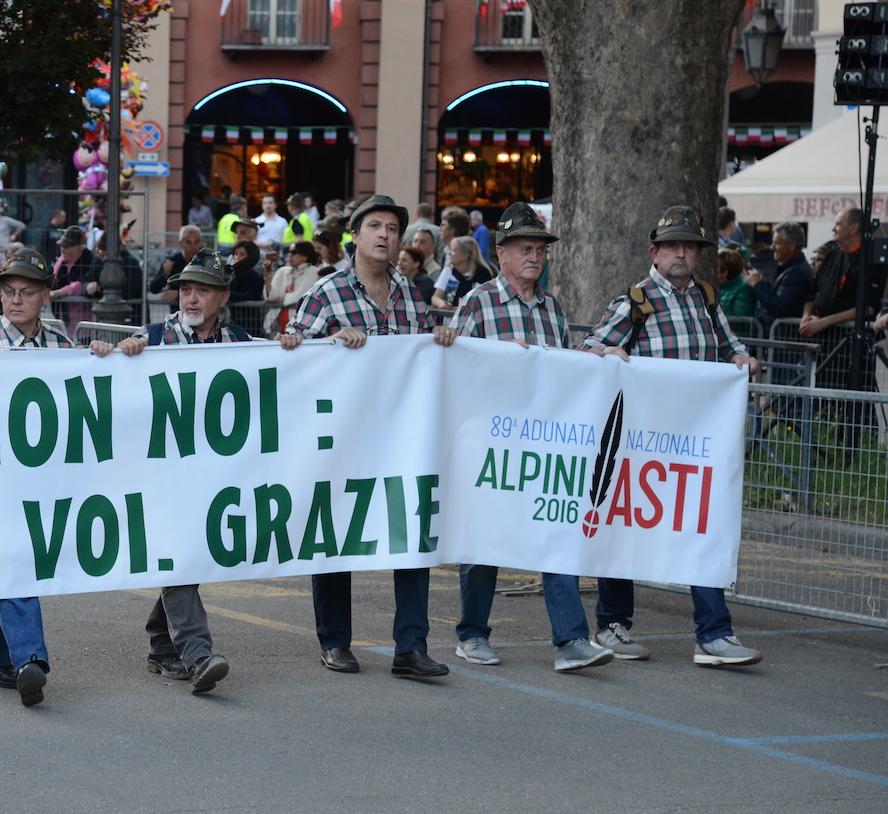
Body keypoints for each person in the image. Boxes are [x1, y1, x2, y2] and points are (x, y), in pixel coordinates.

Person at [432, 204, 615, 672]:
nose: (535, 257)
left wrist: (600, 358)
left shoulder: (552, 307)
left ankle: (570, 640)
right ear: (504, 254)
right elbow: (458, 366)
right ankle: (472, 634)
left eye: (540, 249)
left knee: (555, 531)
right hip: (491, 442)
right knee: (485, 539)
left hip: (543, 443)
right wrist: (496, 357)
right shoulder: (477, 301)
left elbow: (565, 371)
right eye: (525, 249)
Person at [580, 205, 763, 667]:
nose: (681, 254)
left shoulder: (705, 297)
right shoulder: (636, 300)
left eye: (689, 246)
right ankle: (613, 625)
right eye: (673, 246)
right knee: (625, 525)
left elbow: (729, 345)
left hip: (696, 444)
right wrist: (608, 349)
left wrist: (741, 357)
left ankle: (714, 634)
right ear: (654, 253)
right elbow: (587, 350)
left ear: (699, 255)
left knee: (703, 525)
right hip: (640, 443)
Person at [279, 194, 448, 681]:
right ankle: (335, 641)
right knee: (336, 533)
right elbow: (292, 357)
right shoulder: (327, 293)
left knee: (411, 533)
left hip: (399, 437)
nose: (384, 236)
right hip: (343, 437)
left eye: (393, 229)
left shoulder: (412, 295)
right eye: (374, 226)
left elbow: (421, 361)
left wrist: (441, 342)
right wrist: (329, 344)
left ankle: (410, 646)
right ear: (355, 235)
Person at [0, 248, 124, 706]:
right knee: (17, 559)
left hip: (43, 478)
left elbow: (81, 392)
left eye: (26, 292)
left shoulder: (61, 344)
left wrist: (101, 357)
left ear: (45, 296)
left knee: (17, 557)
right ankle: (30, 659)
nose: (15, 300)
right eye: (8, 292)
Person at [107, 248, 243, 694]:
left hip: (214, 475)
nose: (190, 298)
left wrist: (294, 350)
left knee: (191, 554)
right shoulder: (152, 338)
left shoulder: (240, 343)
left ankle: (162, 644)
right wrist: (118, 355)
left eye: (202, 290)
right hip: (160, 475)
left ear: (223, 298)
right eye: (186, 289)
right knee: (177, 551)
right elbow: (107, 382)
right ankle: (197, 653)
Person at [800, 208, 886, 394]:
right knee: (819, 391)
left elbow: (868, 307)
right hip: (821, 340)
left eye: (838, 224)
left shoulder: (871, 260)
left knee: (852, 394)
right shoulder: (831, 255)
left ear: (854, 227)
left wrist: (823, 323)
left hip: (849, 345)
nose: (833, 228)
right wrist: (806, 316)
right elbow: (812, 294)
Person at [744, 222, 811, 331]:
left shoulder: (796, 273)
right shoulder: (790, 269)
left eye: (777, 243)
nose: (772, 247)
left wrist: (758, 285)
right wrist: (762, 283)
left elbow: (780, 308)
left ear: (792, 246)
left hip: (784, 340)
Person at [264, 238, 321, 336]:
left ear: (305, 256)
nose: (289, 255)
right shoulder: (282, 271)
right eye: (289, 252)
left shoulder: (313, 271)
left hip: (299, 323)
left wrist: (281, 299)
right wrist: (267, 277)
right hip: (276, 321)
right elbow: (271, 296)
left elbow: (300, 296)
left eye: (294, 252)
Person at [50, 225, 97, 328]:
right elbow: (52, 278)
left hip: (82, 323)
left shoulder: (90, 260)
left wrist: (57, 293)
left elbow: (81, 284)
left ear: (78, 246)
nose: (62, 250)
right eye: (61, 246)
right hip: (62, 320)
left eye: (66, 247)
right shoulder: (62, 261)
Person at [431, 235, 494, 310]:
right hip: (448, 320)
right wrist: (441, 304)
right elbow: (435, 297)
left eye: (453, 250)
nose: (449, 253)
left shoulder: (482, 273)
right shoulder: (449, 270)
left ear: (465, 256)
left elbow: (481, 303)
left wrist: (456, 309)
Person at [150, 225, 203, 311]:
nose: (193, 247)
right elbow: (154, 288)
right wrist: (164, 274)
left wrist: (179, 294)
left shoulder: (205, 262)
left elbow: (210, 290)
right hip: (178, 315)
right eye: (188, 242)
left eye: (196, 242)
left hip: (201, 313)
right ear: (181, 243)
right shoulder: (173, 261)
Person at [228, 236, 265, 337]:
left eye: (242, 254)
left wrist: (226, 294)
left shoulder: (257, 277)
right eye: (235, 254)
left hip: (252, 325)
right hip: (233, 323)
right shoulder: (230, 276)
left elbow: (249, 296)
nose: (237, 257)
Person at [716, 248, 757, 322]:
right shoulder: (718, 286)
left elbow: (742, 320)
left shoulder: (744, 289)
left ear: (724, 273)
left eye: (716, 268)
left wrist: (718, 310)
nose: (712, 270)